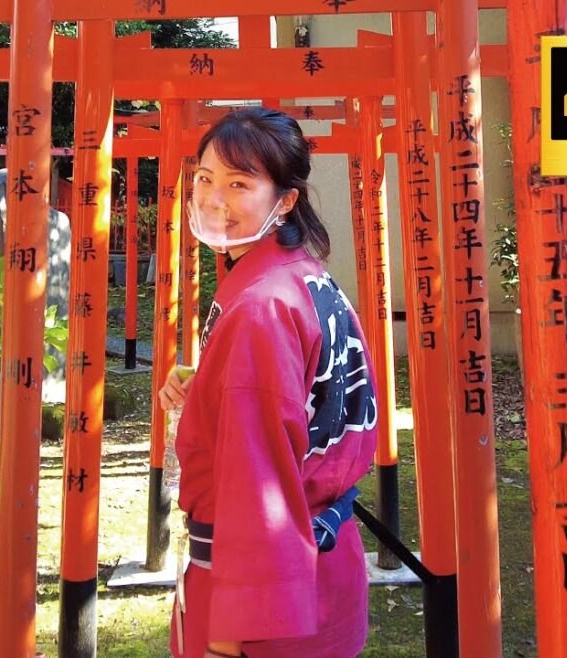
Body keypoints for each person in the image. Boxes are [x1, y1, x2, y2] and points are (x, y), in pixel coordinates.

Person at [158, 107, 380, 658]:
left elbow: (258, 484)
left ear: (284, 201)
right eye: (205, 178)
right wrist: (208, 390)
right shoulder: (298, 275)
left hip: (265, 601)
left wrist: (227, 641)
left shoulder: (260, 307)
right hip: (321, 569)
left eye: (239, 184)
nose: (213, 199)